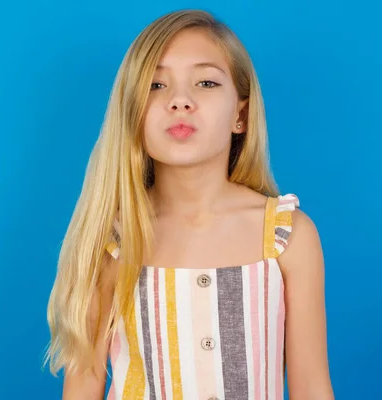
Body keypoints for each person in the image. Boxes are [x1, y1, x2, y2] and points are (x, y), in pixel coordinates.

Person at [44, 9, 334, 400]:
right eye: (157, 85)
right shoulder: (114, 240)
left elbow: (312, 387)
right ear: (134, 112)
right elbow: (83, 385)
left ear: (241, 115)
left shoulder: (289, 238)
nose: (180, 100)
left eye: (206, 82)